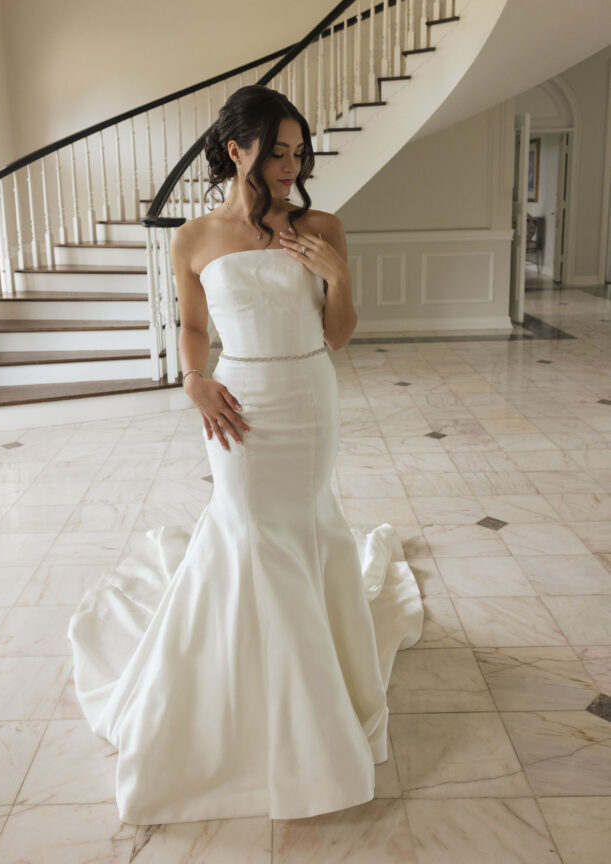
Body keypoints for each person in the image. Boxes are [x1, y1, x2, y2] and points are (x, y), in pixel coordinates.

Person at [67, 84, 423, 825]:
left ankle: (310, 696)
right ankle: (251, 707)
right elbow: (193, 328)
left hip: (309, 396)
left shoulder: (321, 224)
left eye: (299, 153)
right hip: (240, 401)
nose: (292, 166)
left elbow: (337, 334)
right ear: (237, 151)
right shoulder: (192, 237)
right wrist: (194, 381)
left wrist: (338, 275)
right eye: (278, 153)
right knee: (249, 531)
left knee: (305, 526)